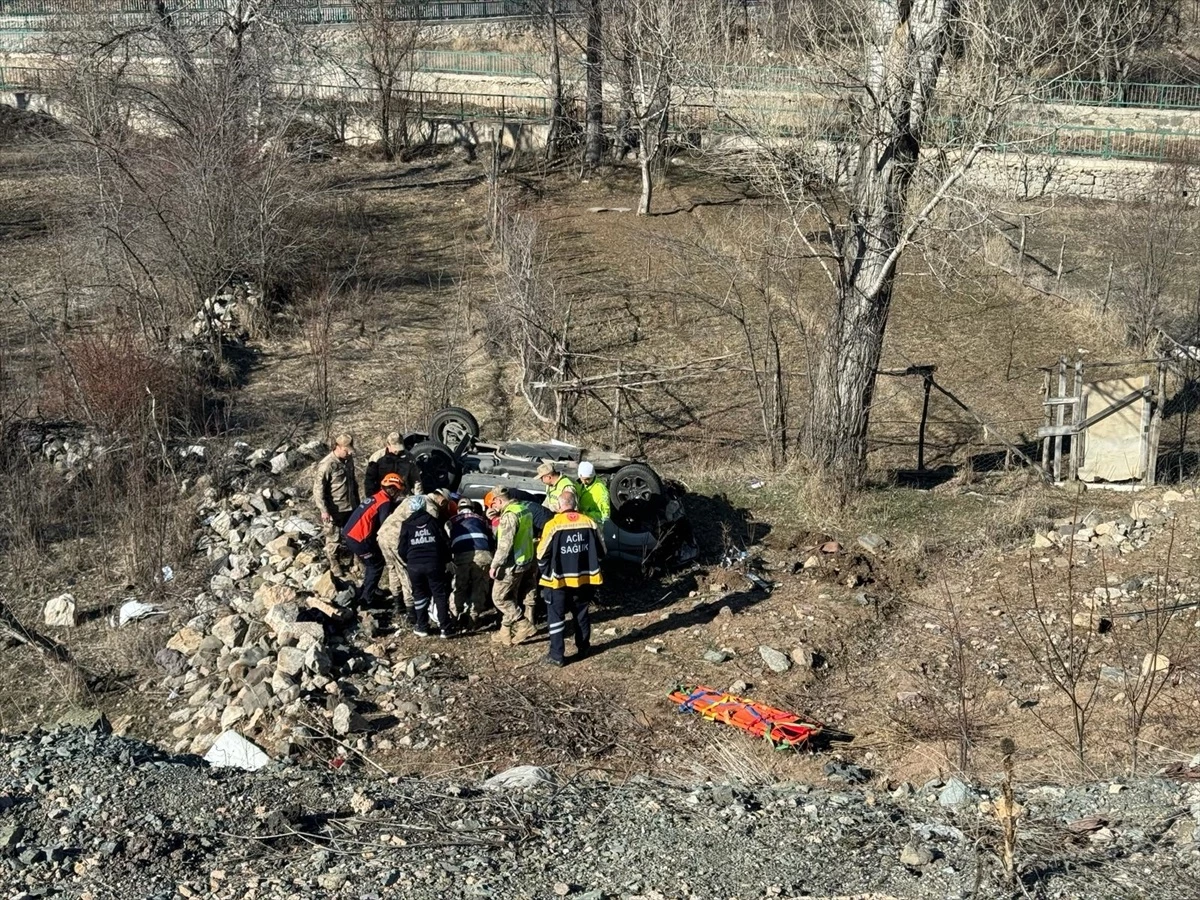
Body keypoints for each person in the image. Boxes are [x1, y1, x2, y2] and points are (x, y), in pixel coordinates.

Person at [536, 491, 605, 667]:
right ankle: (584, 648)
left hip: (558, 581)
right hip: (584, 578)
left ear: (560, 506)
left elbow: (541, 554)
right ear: (575, 504)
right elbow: (602, 550)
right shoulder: (589, 522)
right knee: (581, 614)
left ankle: (557, 655)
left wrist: (545, 571)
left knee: (556, 617)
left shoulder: (553, 525)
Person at [341, 473, 405, 609]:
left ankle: (370, 588)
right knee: (375, 565)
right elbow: (385, 525)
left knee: (374, 562)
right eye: (398, 491)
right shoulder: (385, 503)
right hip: (359, 538)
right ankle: (366, 599)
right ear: (392, 489)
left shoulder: (376, 497)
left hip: (350, 533)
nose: (399, 493)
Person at [486, 487, 538, 646]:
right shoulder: (523, 509)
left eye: (493, 504)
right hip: (526, 559)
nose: (493, 507)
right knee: (511, 597)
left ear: (499, 500)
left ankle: (524, 625)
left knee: (499, 598)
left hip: (511, 563)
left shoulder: (509, 516)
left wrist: (495, 565)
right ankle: (505, 632)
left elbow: (505, 544)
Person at [400, 490, 453, 638]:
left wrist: (409, 561)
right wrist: (447, 560)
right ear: (424, 506)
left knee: (419, 595)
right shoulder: (433, 522)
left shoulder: (406, 524)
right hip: (434, 563)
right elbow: (444, 543)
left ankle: (422, 627)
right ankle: (445, 629)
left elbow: (401, 549)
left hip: (414, 566)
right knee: (439, 595)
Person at [312, 433, 359, 577]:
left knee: (356, 534)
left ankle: (357, 561)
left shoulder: (348, 460)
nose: (349, 453)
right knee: (333, 538)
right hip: (335, 508)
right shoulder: (327, 465)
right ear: (337, 447)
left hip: (351, 505)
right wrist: (324, 510)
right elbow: (318, 490)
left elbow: (353, 482)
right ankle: (334, 564)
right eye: (346, 450)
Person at [449, 498, 495, 628]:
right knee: (479, 586)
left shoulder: (451, 521)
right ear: (473, 508)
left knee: (459, 586)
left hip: (462, 555)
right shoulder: (481, 519)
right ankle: (473, 618)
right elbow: (491, 539)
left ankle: (454, 617)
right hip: (483, 554)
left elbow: (448, 540)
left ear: (458, 509)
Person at [364, 432, 423, 497]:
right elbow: (369, 481)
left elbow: (416, 480)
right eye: (395, 448)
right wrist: (371, 497)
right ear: (388, 445)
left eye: (399, 448)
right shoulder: (376, 458)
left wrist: (418, 497)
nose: (397, 451)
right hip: (382, 494)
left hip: (403, 494)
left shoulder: (409, 458)